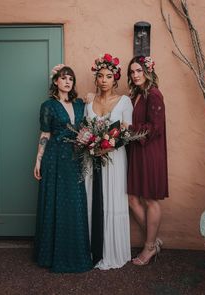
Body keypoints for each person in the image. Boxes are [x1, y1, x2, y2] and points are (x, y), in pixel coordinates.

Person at [34, 64, 93, 273]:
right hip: (54, 159)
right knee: (55, 202)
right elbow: (45, 135)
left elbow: (88, 126)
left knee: (74, 203)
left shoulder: (80, 104)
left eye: (71, 79)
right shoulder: (48, 106)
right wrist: (38, 160)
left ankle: (75, 252)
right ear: (56, 82)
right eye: (64, 78)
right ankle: (51, 254)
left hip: (75, 158)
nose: (68, 81)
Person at [85, 53, 133, 270]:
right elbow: (84, 129)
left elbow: (127, 132)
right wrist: (92, 145)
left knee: (112, 199)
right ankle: (91, 249)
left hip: (114, 158)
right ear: (96, 79)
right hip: (92, 159)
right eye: (101, 76)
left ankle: (113, 250)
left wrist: (107, 146)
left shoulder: (124, 101)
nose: (104, 79)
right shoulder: (88, 101)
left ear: (115, 79)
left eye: (109, 76)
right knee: (92, 198)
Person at [126, 56, 169, 265]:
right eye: (132, 72)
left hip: (150, 152)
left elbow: (156, 127)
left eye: (139, 71)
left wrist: (130, 129)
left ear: (147, 71)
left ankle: (149, 247)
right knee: (133, 198)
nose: (135, 75)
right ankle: (153, 241)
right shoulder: (136, 94)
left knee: (150, 199)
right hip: (136, 151)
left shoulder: (154, 94)